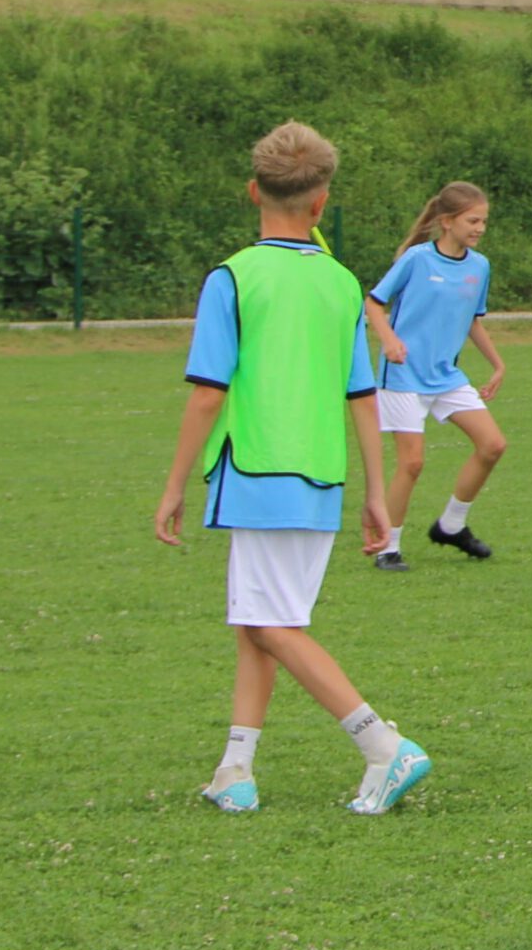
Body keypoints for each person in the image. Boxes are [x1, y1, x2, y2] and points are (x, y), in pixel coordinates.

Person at [154, 122, 430, 816]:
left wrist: (174, 484)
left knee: (271, 624)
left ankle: (383, 746)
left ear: (253, 191)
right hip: (320, 476)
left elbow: (208, 393)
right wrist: (375, 492)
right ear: (321, 201)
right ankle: (236, 770)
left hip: (255, 473)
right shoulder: (342, 283)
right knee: (258, 619)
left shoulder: (233, 277)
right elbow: (361, 395)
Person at [366, 182, 508, 572]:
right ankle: (388, 548)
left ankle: (451, 526)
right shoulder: (417, 259)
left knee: (492, 445)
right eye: (473, 221)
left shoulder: (479, 266)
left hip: (446, 376)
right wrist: (389, 340)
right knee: (412, 463)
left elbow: (472, 320)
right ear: (447, 222)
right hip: (403, 377)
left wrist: (497, 364)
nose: (480, 228)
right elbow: (373, 304)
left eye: (484, 221)